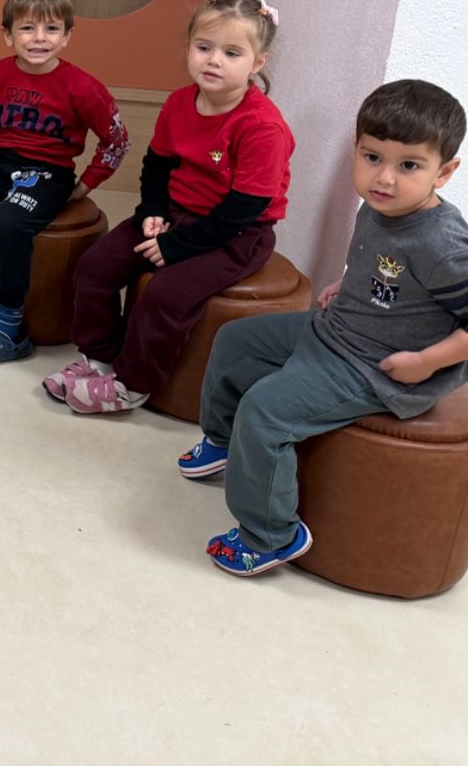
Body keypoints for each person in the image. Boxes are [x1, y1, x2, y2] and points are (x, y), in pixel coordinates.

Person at [182, 79, 467, 576]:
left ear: (443, 172)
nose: (384, 178)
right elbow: (385, 273)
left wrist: (426, 363)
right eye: (372, 157)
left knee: (264, 411)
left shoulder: (443, 244)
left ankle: (270, 535)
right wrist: (344, 285)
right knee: (235, 341)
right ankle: (226, 442)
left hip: (375, 368)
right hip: (338, 329)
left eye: (409, 166)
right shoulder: (378, 206)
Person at [46, 0, 292, 413]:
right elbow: (157, 166)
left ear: (258, 63)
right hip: (176, 213)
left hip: (237, 232)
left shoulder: (261, 127)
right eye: (204, 47)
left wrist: (177, 246)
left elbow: (244, 208)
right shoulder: (179, 102)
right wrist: (153, 211)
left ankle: (132, 384)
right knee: (95, 266)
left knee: (165, 293)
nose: (214, 60)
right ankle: (100, 360)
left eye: (232, 53)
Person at [0, 0, 129, 364]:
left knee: (7, 222)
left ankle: (10, 327)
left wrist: (86, 185)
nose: (40, 38)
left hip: (48, 171)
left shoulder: (83, 87)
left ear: (67, 36)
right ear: (8, 35)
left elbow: (117, 140)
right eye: (27, 28)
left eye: (51, 28)